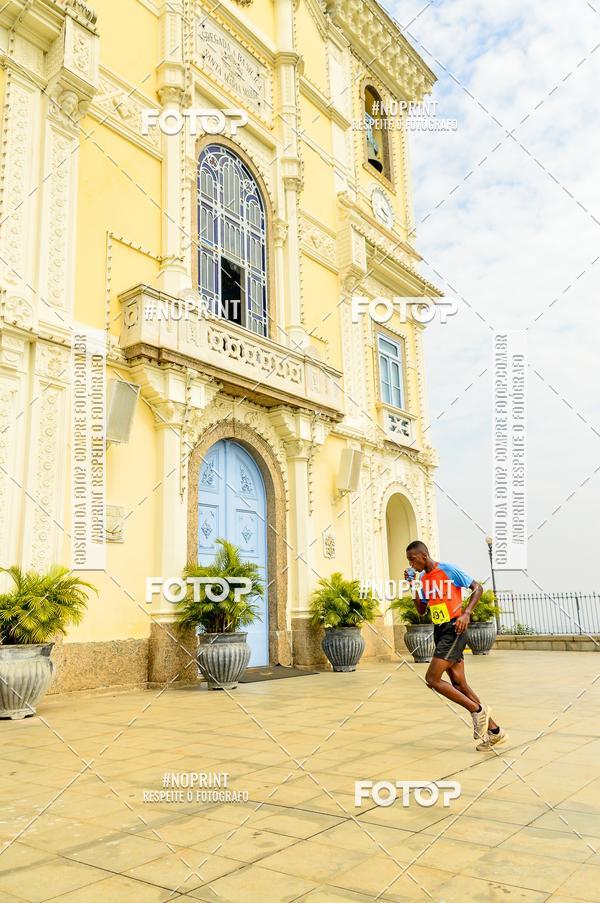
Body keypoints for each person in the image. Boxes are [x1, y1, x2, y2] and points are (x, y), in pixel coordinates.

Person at [405, 540, 507, 751]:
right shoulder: (423, 579)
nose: (411, 564)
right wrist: (413, 585)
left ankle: (476, 710)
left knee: (432, 679)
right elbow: (422, 610)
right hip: (440, 630)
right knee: (459, 683)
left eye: (412, 559)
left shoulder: (448, 570)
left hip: (455, 629)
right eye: (409, 561)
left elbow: (477, 588)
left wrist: (466, 613)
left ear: (423, 556)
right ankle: (496, 732)